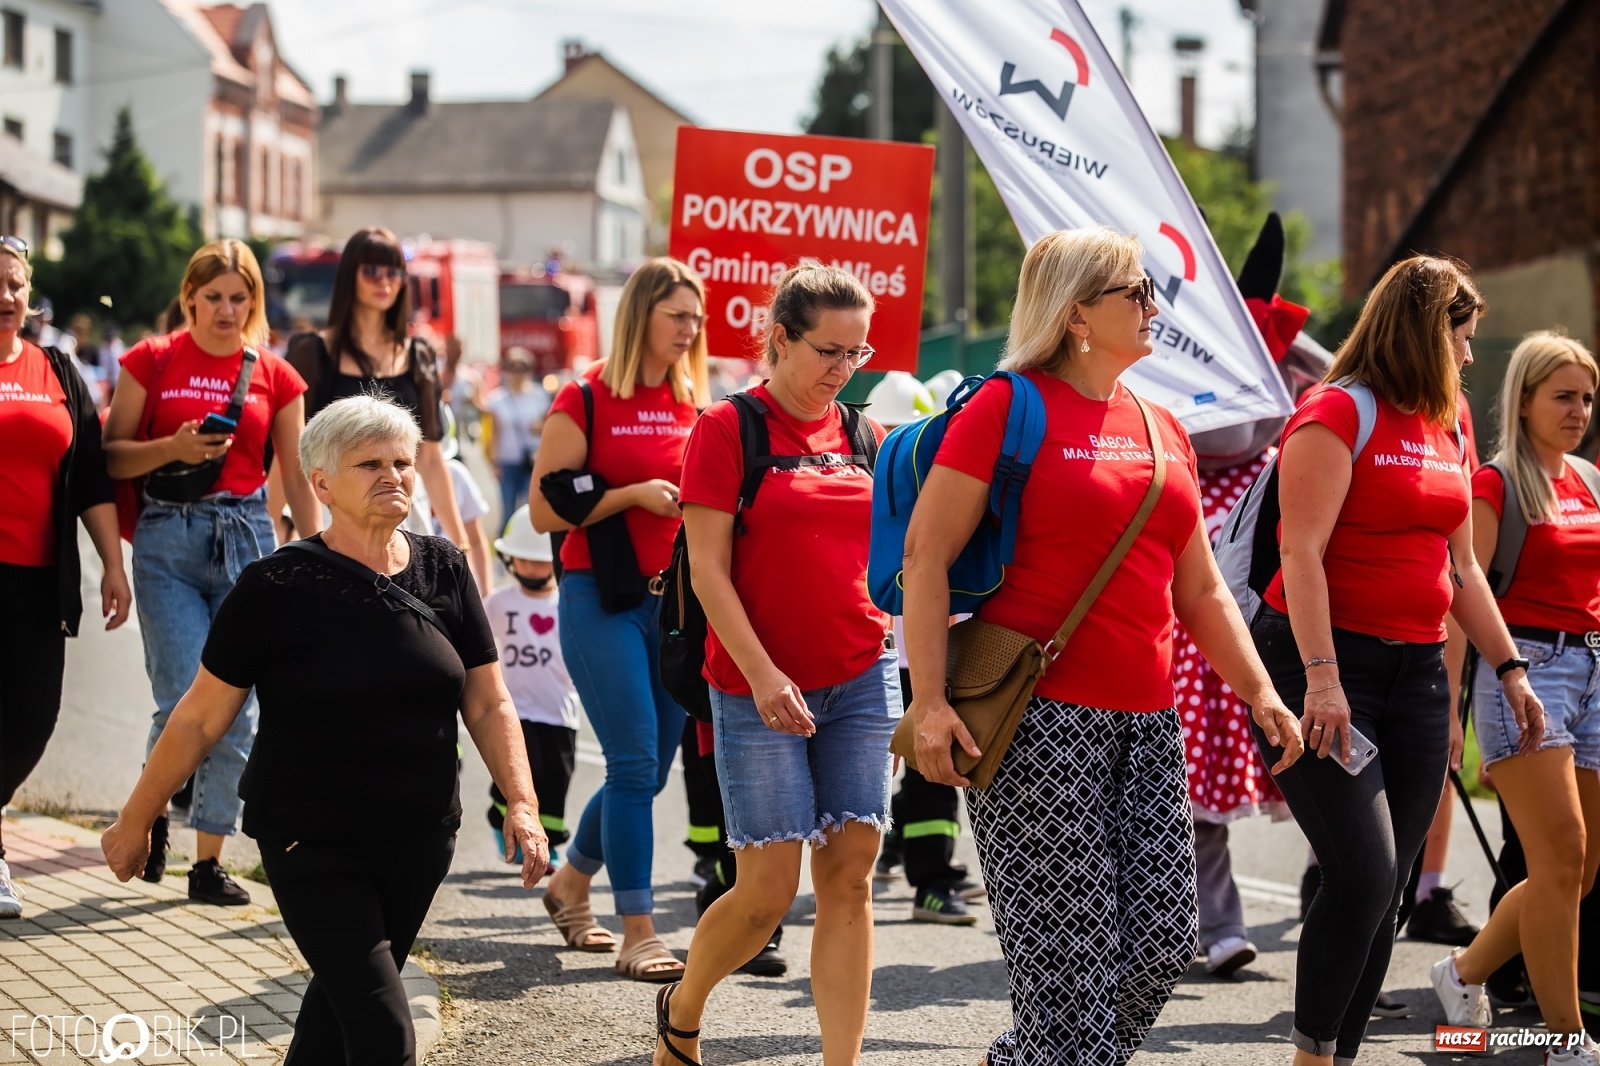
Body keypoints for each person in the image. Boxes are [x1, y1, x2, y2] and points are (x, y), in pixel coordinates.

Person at [901, 227, 1303, 1066]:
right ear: (1077, 311)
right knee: (1069, 964)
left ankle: (1033, 1058)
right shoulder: (1007, 408)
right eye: (1136, 292)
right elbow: (925, 558)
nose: (1155, 307)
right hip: (1037, 723)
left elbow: (1196, 590)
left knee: (1161, 943)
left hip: (1149, 722)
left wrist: (1262, 692)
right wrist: (930, 702)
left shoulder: (1163, 428)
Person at [102, 394, 549, 1065]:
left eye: (401, 460)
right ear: (321, 485)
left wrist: (522, 801)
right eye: (370, 464)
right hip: (312, 840)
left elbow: (489, 704)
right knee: (384, 1033)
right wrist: (137, 817)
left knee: (333, 1026)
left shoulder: (445, 569)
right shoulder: (274, 587)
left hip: (420, 839)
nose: (393, 474)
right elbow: (199, 717)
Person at [1250, 255, 1542, 1066]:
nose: (1472, 357)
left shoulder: (1445, 422)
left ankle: (1337, 1056)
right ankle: (1311, 1056)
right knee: (1364, 871)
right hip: (1318, 665)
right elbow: (1299, 552)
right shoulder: (1336, 412)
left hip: (1415, 672)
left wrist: (1509, 668)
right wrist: (1321, 681)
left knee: (1393, 889)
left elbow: (1464, 571)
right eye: (1463, 338)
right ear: (1423, 330)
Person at [654, 264, 896, 1066]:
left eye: (857, 354)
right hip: (755, 683)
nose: (842, 368)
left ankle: (840, 1063)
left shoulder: (868, 437)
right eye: (829, 350)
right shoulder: (728, 429)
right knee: (765, 895)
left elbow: (900, 556)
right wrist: (762, 675)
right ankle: (683, 1007)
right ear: (779, 338)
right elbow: (708, 571)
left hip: (860, 674)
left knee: (851, 878)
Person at [103, 239, 321, 905]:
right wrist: (172, 446)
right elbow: (110, 457)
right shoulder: (152, 358)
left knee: (238, 707)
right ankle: (150, 823)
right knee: (179, 696)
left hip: (247, 533)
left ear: (253, 302)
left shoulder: (278, 376)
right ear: (190, 297)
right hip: (167, 536)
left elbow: (300, 477)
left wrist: (323, 561)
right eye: (215, 297)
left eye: (240, 298)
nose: (227, 310)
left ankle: (208, 858)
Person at [530, 257, 707, 980]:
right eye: (678, 316)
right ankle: (640, 929)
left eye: (696, 317)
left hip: (676, 606)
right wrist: (632, 494)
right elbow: (544, 508)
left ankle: (570, 882)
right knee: (634, 759)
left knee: (650, 770)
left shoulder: (697, 396)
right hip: (598, 596)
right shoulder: (587, 396)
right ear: (641, 316)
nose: (691, 329)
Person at [1430, 331, 1600, 1064]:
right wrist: (1448, 712)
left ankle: (1462, 971)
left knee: (1579, 870)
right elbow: (1462, 597)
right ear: (1524, 400)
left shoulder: (1590, 481)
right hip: (1526, 671)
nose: (1579, 410)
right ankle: (1565, 1040)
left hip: (1594, 671)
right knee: (1559, 855)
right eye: (1563, 396)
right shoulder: (1494, 485)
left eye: (1587, 397)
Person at [0, 235, 131, 919]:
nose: (5, 296)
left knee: (32, 719)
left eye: (15, 283)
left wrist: (113, 563)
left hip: (36, 577)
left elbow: (89, 478)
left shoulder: (54, 368)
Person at [864, 371, 986, 926]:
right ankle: (929, 879)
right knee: (923, 770)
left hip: (942, 645)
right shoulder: (888, 483)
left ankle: (928, 870)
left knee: (930, 771)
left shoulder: (941, 476)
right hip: (899, 651)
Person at [284, 227, 468, 556]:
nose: (384, 281)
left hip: (402, 513)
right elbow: (291, 455)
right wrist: (308, 542)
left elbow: (430, 457)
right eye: (371, 271)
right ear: (349, 277)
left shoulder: (418, 355)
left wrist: (459, 543)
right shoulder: (312, 352)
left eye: (394, 272)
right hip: (334, 513)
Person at [484, 506, 580, 872]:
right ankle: (501, 816)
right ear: (509, 559)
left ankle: (549, 844)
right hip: (516, 709)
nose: (532, 568)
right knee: (515, 773)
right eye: (524, 560)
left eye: (540, 562)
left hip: (559, 711)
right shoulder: (499, 603)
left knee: (555, 779)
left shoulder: (567, 604)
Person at [483, 347, 550, 523]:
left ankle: (527, 545)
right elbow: (494, 433)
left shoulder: (539, 395)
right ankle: (505, 546)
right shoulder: (496, 398)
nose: (517, 373)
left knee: (530, 508)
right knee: (508, 510)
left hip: (532, 459)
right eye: (513, 367)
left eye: (522, 367)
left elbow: (549, 426)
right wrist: (494, 462)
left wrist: (538, 428)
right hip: (507, 460)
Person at [434, 408, 492, 595]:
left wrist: (485, 592)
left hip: (456, 583)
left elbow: (475, 539)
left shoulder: (456, 474)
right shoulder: (395, 481)